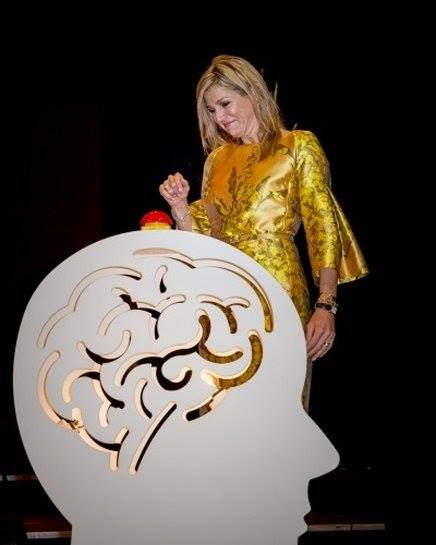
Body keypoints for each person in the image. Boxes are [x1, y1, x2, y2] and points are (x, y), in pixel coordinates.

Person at [159, 54, 368, 410]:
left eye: (225, 104)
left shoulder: (298, 145)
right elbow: (203, 240)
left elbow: (322, 226)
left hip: (278, 291)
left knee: (275, 411)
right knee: (217, 410)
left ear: (252, 92)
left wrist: (326, 303)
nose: (219, 117)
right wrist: (180, 209)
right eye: (211, 110)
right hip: (222, 297)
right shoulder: (216, 160)